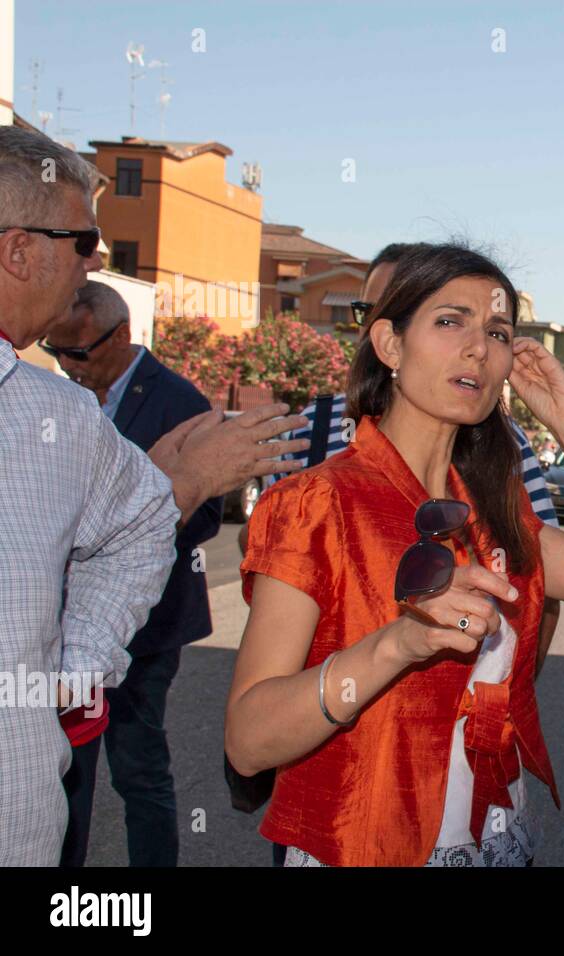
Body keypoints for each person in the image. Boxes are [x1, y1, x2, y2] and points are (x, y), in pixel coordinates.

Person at [226, 243, 564, 866]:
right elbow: (247, 741)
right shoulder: (317, 503)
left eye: (498, 331)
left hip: (495, 837)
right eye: (450, 321)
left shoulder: (494, 508)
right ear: (390, 345)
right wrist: (398, 643)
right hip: (365, 844)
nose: (479, 347)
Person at [0, 124, 310, 865]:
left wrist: (70, 673)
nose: (97, 259)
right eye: (82, 239)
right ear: (18, 250)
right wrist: (177, 482)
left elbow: (142, 525)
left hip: (42, 794)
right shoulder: (54, 410)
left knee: (140, 773)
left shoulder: (67, 409)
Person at [247, 242, 563, 671]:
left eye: (494, 332)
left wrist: (509, 689)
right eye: (368, 310)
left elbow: (549, 582)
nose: (475, 347)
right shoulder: (313, 427)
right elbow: (257, 547)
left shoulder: (501, 447)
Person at [43, 280, 224, 867]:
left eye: (78, 352)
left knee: (138, 770)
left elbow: (206, 518)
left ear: (121, 336)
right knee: (66, 768)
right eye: (56, 352)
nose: (67, 365)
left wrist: (127, 530)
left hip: (146, 629)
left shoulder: (181, 402)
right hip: (64, 625)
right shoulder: (58, 397)